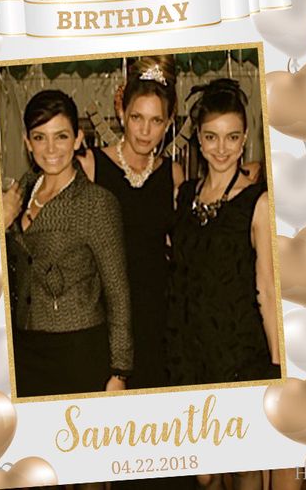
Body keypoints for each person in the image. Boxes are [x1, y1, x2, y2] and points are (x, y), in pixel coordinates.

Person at [6, 90, 133, 397]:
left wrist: (119, 371)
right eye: (40, 137)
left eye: (60, 136)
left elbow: (117, 291)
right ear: (27, 141)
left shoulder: (96, 203)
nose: (50, 148)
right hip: (23, 349)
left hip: (78, 350)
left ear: (77, 139)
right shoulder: (16, 194)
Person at [79, 55, 184, 390]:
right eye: (137, 117)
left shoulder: (173, 174)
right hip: (104, 315)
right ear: (122, 113)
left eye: (156, 120)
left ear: (168, 123)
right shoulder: (92, 166)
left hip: (157, 317)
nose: (145, 130)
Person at [167, 78, 279, 385]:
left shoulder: (258, 202)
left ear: (244, 140)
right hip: (184, 351)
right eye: (211, 137)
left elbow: (268, 290)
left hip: (236, 353)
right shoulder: (184, 194)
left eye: (231, 137)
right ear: (199, 140)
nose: (221, 148)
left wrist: (277, 366)